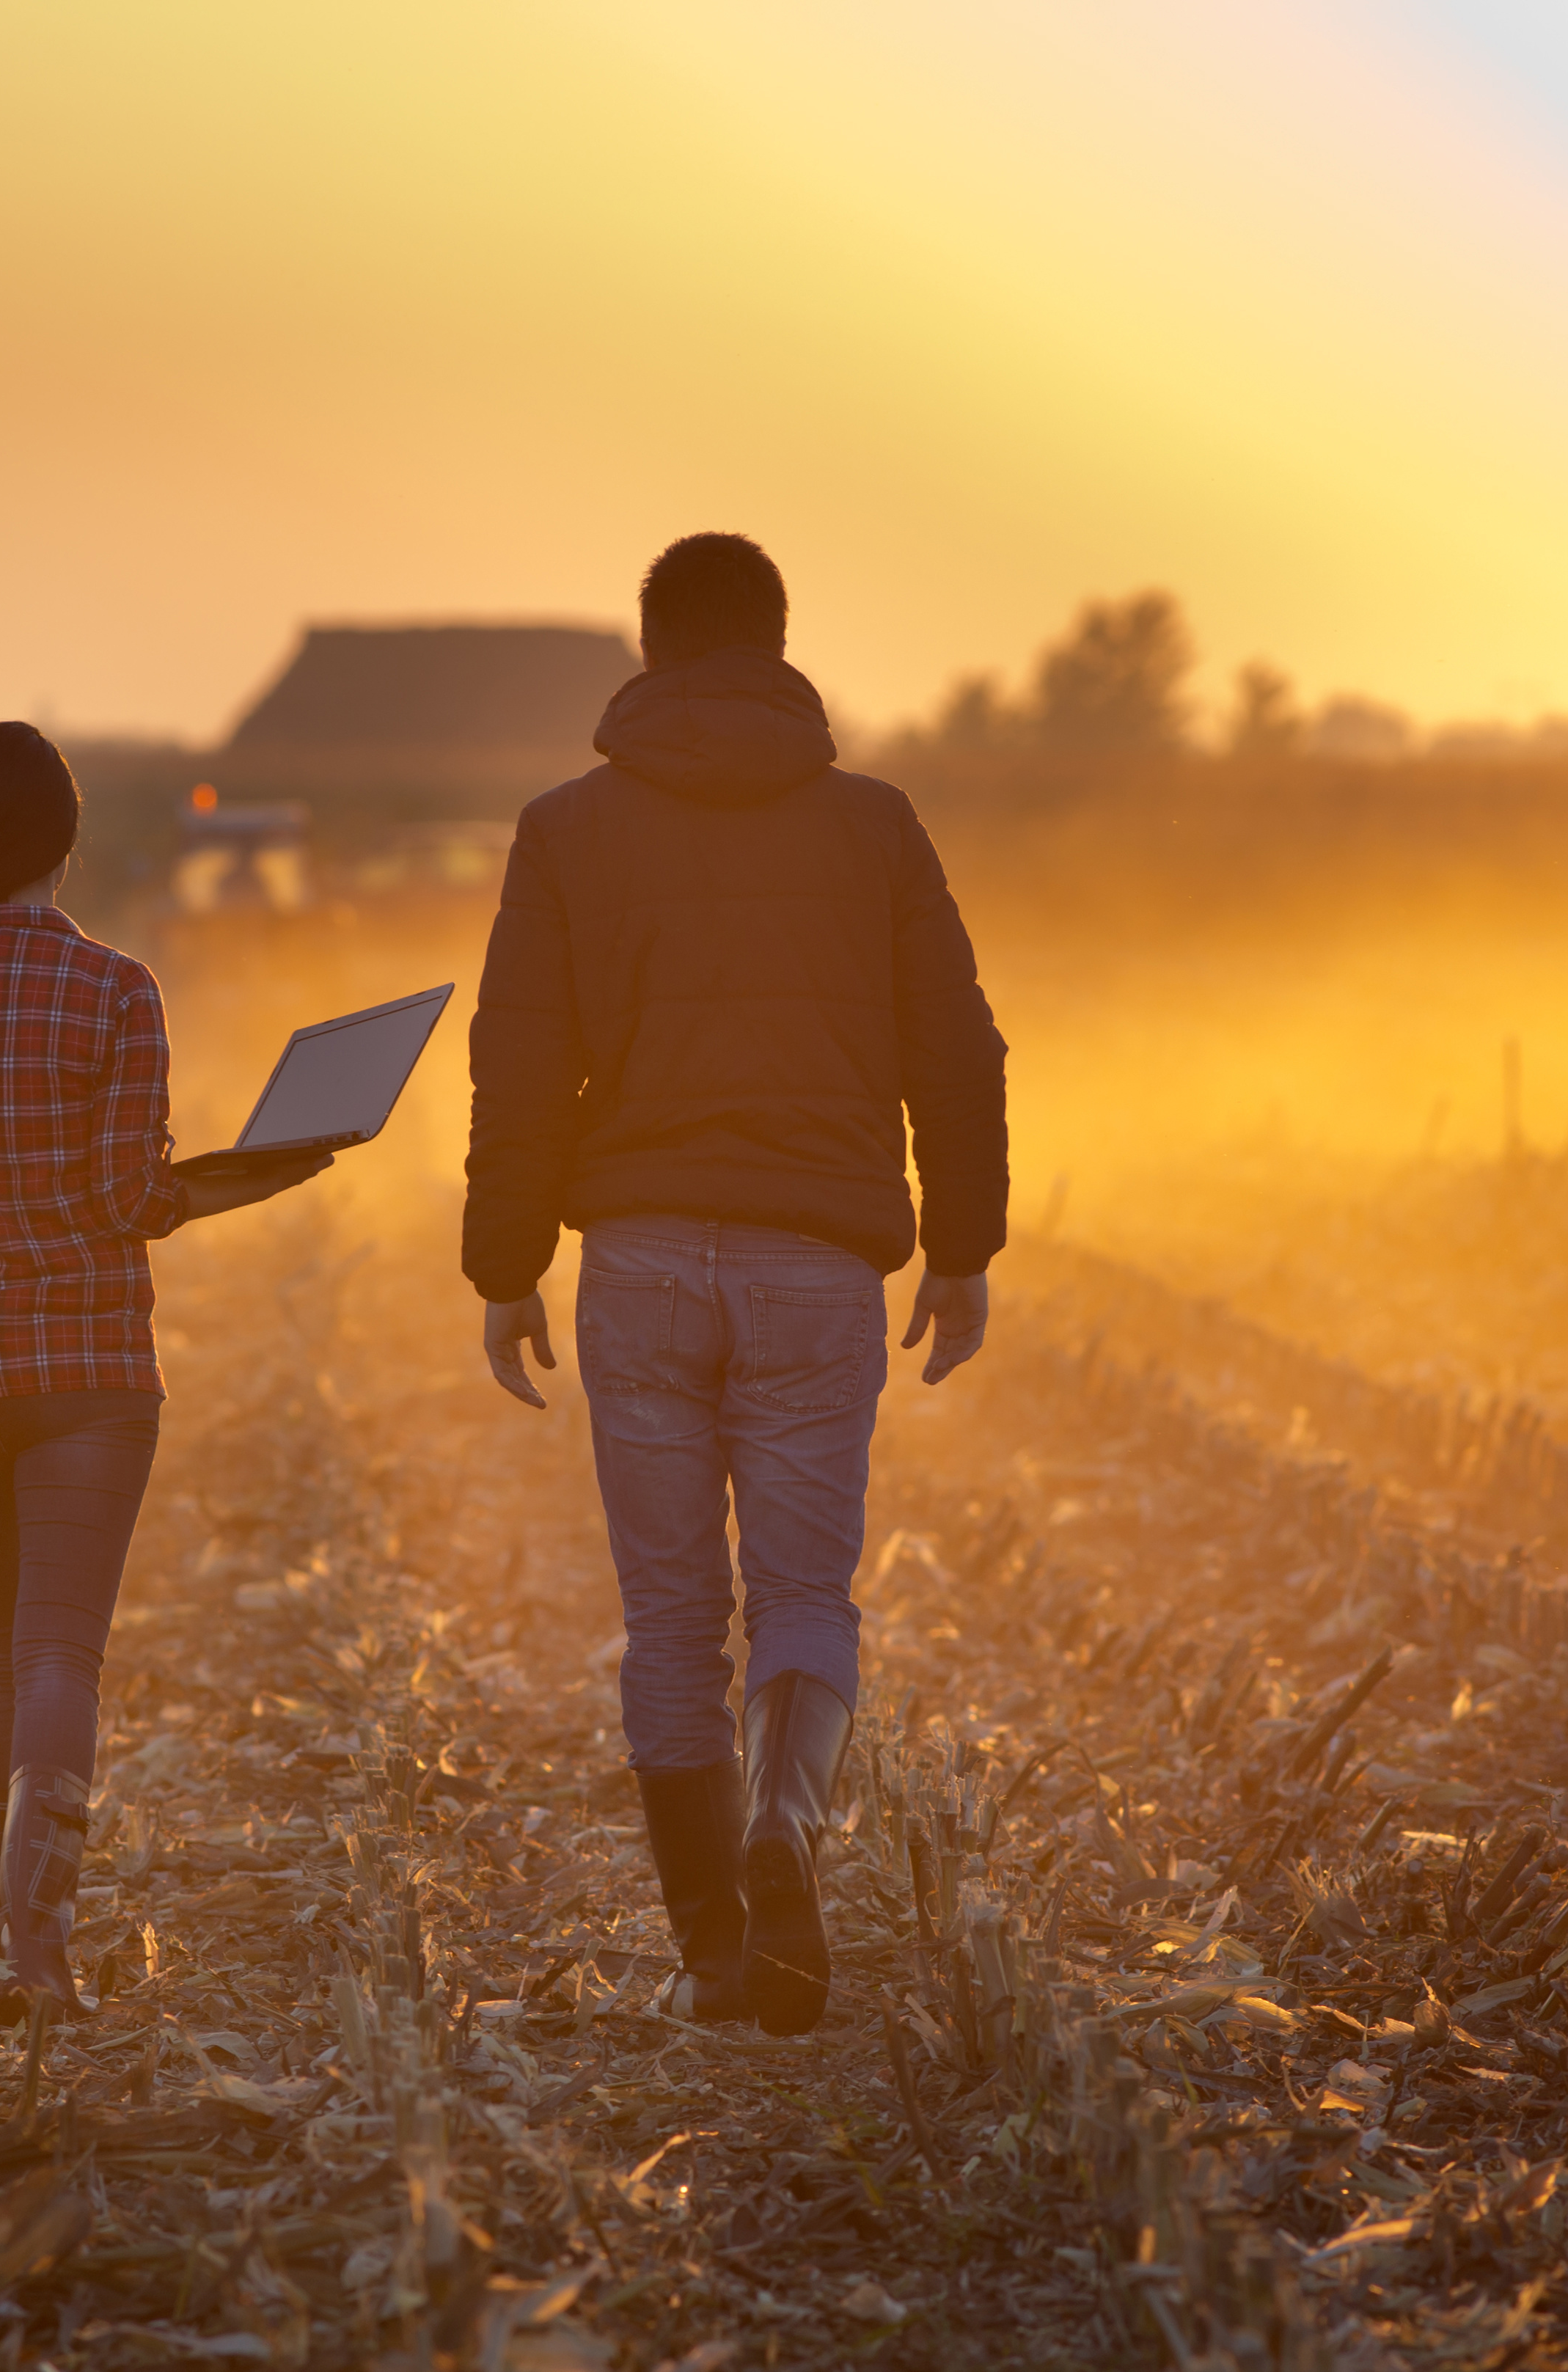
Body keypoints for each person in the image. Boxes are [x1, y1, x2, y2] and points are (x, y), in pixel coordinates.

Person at [463, 533, 1008, 2036]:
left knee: (670, 1621)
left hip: (634, 1266)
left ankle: (714, 1947)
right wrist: (962, 1245)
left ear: (647, 657)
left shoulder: (564, 830)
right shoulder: (875, 826)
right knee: (804, 1597)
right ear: (776, 646)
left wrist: (507, 1264)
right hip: (815, 1268)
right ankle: (788, 1831)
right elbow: (956, 1050)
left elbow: (518, 1061)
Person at [0, 722, 327, 2011]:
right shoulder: (117, 989)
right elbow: (121, 1195)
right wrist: (242, 1178)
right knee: (62, 1656)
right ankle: (43, 1957)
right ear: (65, 841)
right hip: (89, 1367)